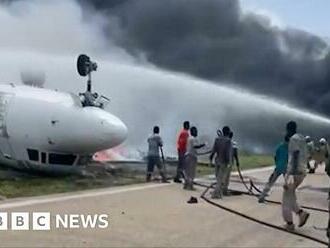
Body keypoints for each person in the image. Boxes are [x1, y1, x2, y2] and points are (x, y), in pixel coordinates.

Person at [282, 121, 310, 231]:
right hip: (302, 171)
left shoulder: (293, 139)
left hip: (295, 172)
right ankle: (301, 213)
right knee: (291, 195)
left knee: (286, 199)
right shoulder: (301, 138)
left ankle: (289, 224)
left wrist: (291, 174)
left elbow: (295, 154)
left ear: (289, 129)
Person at [258, 134, 289, 203]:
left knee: (270, 182)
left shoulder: (280, 146)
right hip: (286, 169)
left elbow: (275, 156)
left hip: (278, 167)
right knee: (288, 185)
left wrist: (277, 164)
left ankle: (262, 197)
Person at [209, 126, 232, 199]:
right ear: (228, 132)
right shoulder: (228, 141)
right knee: (220, 179)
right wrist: (229, 162)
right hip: (223, 162)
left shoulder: (217, 139)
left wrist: (211, 158)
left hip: (217, 160)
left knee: (217, 177)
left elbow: (213, 150)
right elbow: (228, 152)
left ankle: (217, 192)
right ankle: (216, 194)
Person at [223, 131, 240, 195]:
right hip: (229, 162)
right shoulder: (233, 143)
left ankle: (221, 189)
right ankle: (224, 190)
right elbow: (235, 153)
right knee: (227, 177)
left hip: (223, 162)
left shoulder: (224, 142)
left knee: (222, 176)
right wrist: (237, 162)